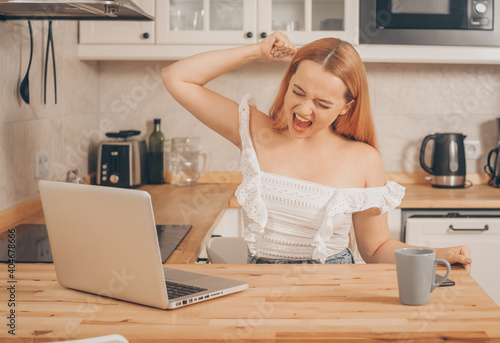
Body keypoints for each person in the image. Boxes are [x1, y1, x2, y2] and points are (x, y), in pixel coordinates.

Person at [161, 32, 472, 270]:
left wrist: (434, 256)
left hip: (333, 288)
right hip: (259, 286)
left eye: (323, 104)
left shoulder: (363, 159)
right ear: (289, 79)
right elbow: (176, 77)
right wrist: (256, 51)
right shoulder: (257, 132)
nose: (304, 110)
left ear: (346, 107)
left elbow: (376, 249)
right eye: (298, 92)